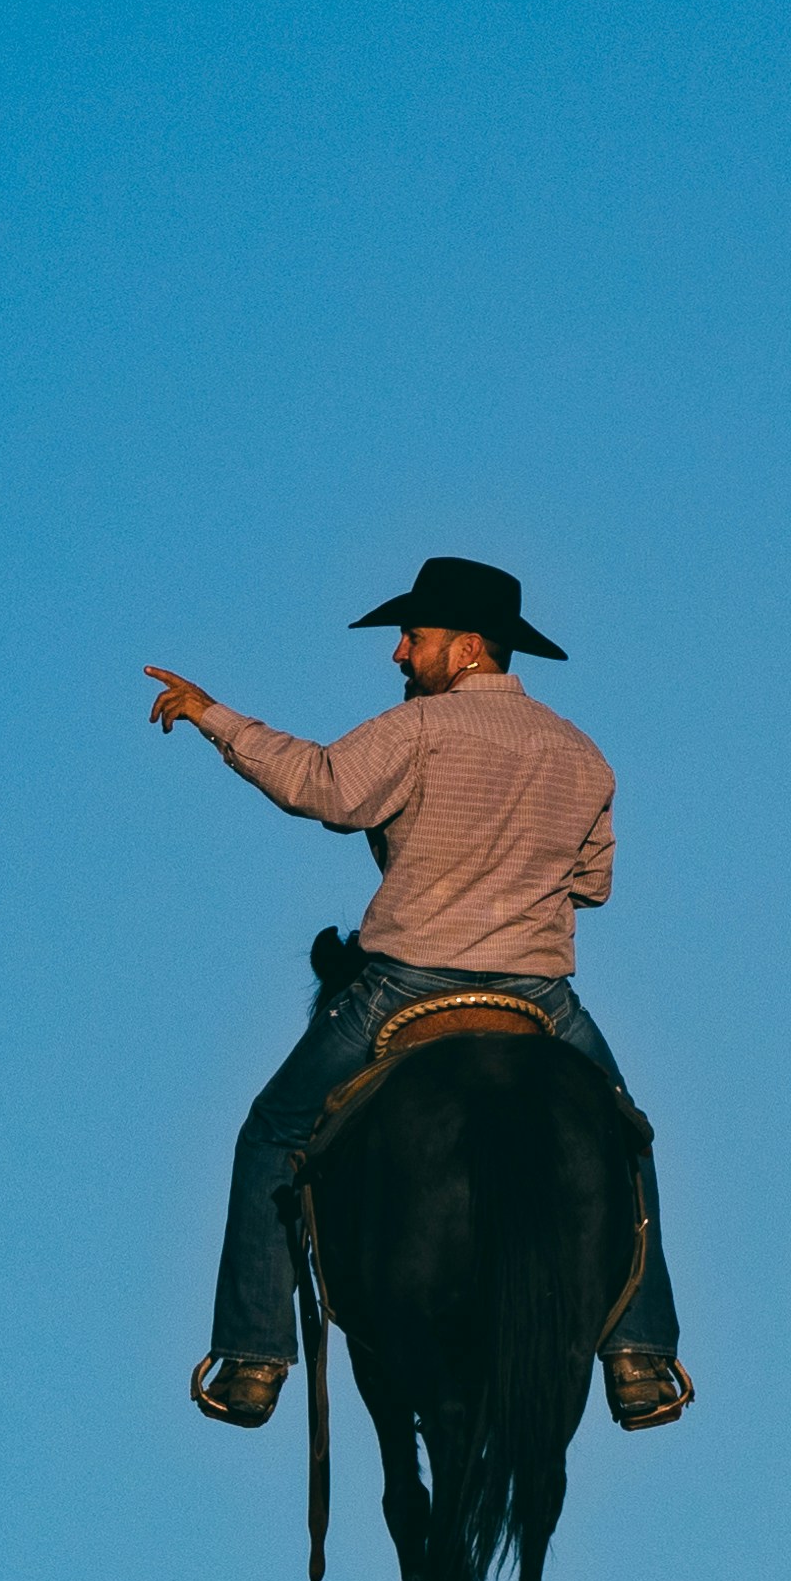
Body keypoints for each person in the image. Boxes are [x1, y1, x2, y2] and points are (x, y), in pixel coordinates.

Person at [145, 556, 693, 1433]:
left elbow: (321, 786)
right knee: (628, 1140)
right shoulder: (581, 754)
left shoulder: (421, 732)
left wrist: (214, 715)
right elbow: (593, 884)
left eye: (415, 638)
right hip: (540, 999)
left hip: (406, 983)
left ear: (468, 648)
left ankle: (251, 1357)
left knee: (272, 1132)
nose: (399, 654)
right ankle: (639, 1353)